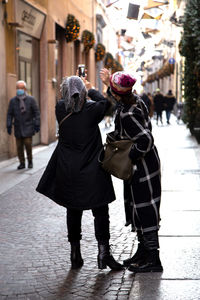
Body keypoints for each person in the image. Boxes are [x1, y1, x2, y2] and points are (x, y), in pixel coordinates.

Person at [36, 75, 124, 271]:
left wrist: (80, 89)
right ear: (83, 92)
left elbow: (74, 105)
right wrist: (91, 88)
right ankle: (104, 254)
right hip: (93, 171)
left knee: (73, 211)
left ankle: (75, 255)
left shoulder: (60, 108)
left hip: (69, 171)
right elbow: (108, 104)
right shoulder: (92, 110)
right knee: (100, 212)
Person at [100, 68, 163, 273]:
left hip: (143, 169)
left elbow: (145, 139)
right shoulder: (134, 100)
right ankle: (143, 251)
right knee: (137, 208)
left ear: (119, 93)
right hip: (142, 168)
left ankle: (153, 258)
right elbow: (120, 98)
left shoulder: (128, 112)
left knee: (145, 209)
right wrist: (109, 83)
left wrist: (130, 155)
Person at [6, 80, 40, 169]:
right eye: (18, 88)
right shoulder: (13, 101)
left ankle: (30, 161)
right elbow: (9, 114)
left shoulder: (31, 99)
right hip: (18, 127)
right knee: (19, 147)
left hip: (28, 126)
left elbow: (36, 113)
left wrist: (37, 124)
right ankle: (22, 163)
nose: (19, 90)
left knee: (28, 145)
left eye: (21, 88)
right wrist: (8, 125)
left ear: (25, 89)